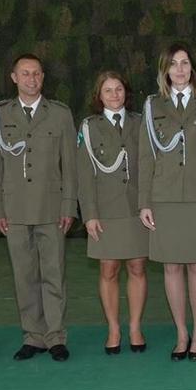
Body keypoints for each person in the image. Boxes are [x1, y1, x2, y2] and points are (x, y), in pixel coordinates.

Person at [0, 54, 77, 362]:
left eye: (36, 73)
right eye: (25, 74)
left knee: (54, 273)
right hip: (14, 210)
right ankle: (32, 336)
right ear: (14, 77)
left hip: (51, 208)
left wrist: (69, 206)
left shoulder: (60, 115)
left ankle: (55, 336)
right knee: (24, 275)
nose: (31, 79)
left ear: (43, 77)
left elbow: (70, 166)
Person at [138, 43, 196, 361]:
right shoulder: (152, 105)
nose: (179, 69)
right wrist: (144, 201)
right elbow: (146, 155)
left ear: (193, 68)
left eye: (185, 63)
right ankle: (181, 333)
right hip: (164, 198)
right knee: (172, 268)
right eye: (173, 64)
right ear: (164, 70)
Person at [77, 71, 149, 354]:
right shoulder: (88, 127)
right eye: (108, 90)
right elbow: (84, 175)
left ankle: (134, 328)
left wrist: (149, 205)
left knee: (137, 268)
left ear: (125, 92)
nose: (114, 95)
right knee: (108, 270)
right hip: (104, 211)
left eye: (119, 89)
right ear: (99, 96)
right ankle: (113, 328)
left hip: (137, 210)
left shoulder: (141, 123)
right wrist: (89, 214)